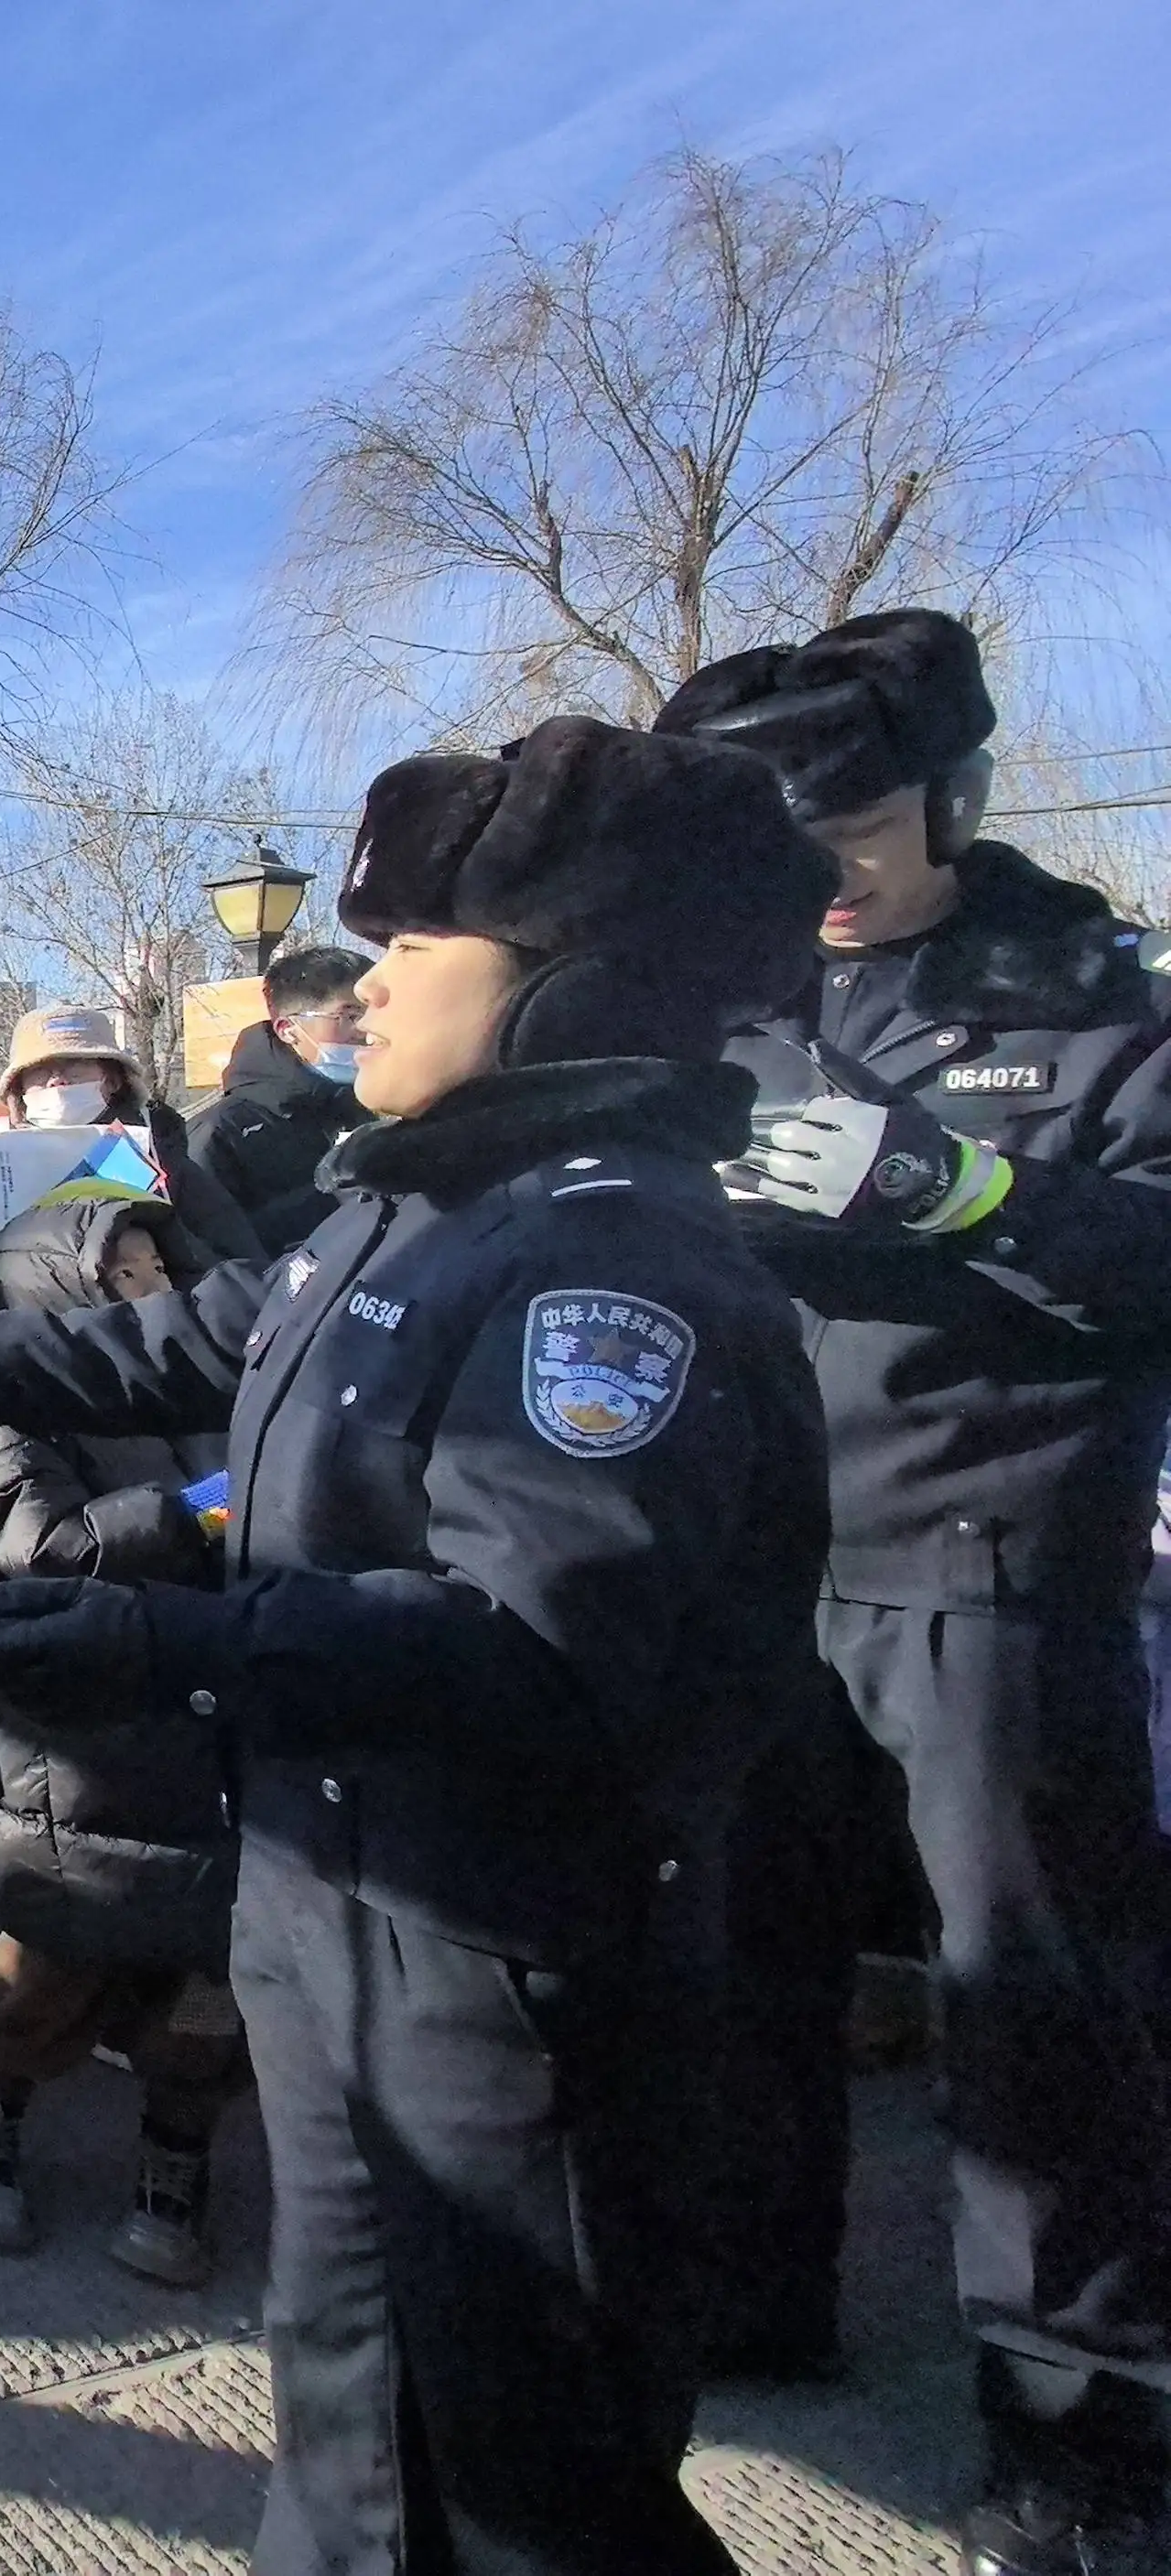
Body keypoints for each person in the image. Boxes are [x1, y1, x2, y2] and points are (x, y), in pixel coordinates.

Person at [0, 715, 837, 2575]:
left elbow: (525, 1647)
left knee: (520, 2470)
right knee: (346, 2419)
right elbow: (174, 1344)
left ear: (565, 992)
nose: (369, 987)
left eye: (420, 949)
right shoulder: (419, 1200)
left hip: (498, 1968)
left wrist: (155, 1640)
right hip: (330, 1907)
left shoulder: (602, 1262)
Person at [659, 608, 1171, 2571]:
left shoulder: (1079, 982)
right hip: (758, 1546)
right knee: (745, 1959)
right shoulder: (731, 997)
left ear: (945, 801)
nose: (821, 876)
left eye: (853, 831)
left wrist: (961, 1189)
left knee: (1031, 1997)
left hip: (987, 1545)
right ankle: (757, 2292)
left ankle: (1081, 2423)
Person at [0, 1191, 240, 2289]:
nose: (151, 1294)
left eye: (159, 1272)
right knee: (47, 1971)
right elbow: (46, 1554)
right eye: (120, 1280)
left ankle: (175, 2153)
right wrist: (204, 1508)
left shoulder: (224, 1394)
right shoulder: (21, 1420)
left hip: (212, 1733)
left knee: (205, 1993)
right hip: (77, 1754)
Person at [0, 1004, 264, 1262]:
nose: (57, 1080)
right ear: (20, 1092)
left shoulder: (166, 1164)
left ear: (112, 1080)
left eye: (74, 1063)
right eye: (39, 1071)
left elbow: (238, 1266)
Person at [193, 949, 373, 1252]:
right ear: (289, 1030)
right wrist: (339, 1195)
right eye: (350, 1015)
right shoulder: (221, 1132)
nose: (365, 1030)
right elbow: (211, 1257)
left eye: (371, 1014)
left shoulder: (369, 1114)